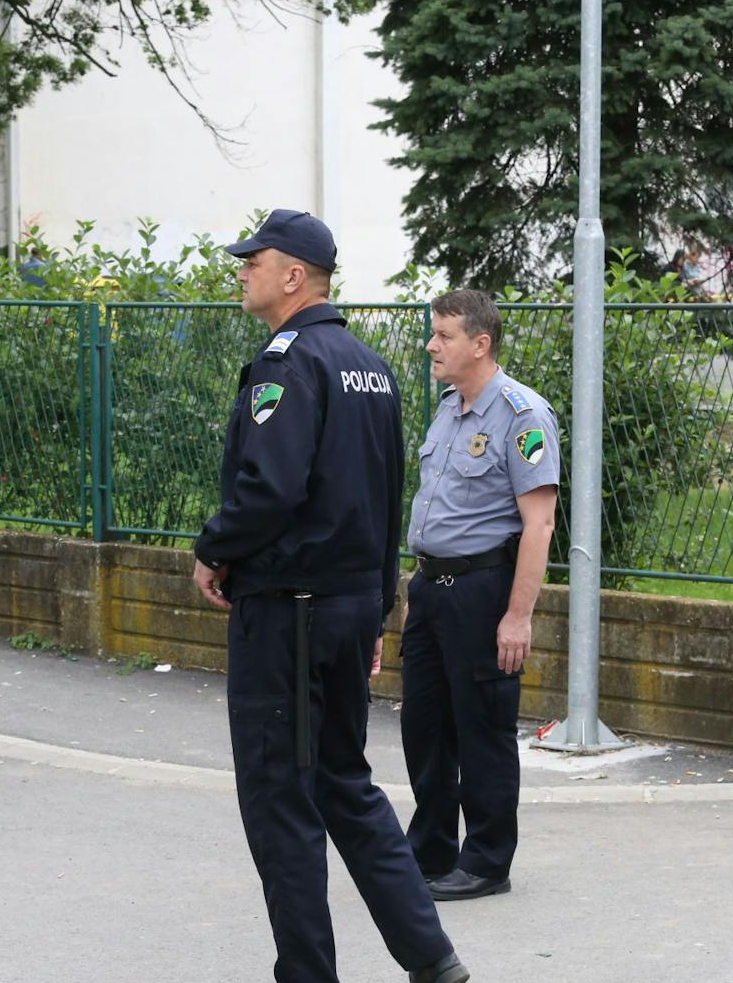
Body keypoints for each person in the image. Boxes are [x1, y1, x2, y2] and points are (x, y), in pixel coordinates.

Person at [190, 209, 469, 983]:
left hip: (288, 612)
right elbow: (386, 497)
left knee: (281, 801)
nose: (242, 269)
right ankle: (432, 956)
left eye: (256, 260)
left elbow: (270, 487)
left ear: (295, 276)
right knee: (346, 782)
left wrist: (213, 549)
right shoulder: (371, 365)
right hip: (345, 609)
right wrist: (379, 605)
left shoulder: (290, 362)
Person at [402, 290, 560, 903]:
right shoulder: (448, 408)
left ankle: (488, 860)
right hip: (433, 587)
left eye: (443, 335)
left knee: (482, 729)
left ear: (479, 343)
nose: (431, 345)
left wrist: (517, 617)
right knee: (424, 726)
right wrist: (419, 590)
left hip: (482, 592)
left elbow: (539, 526)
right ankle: (431, 850)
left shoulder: (522, 415)